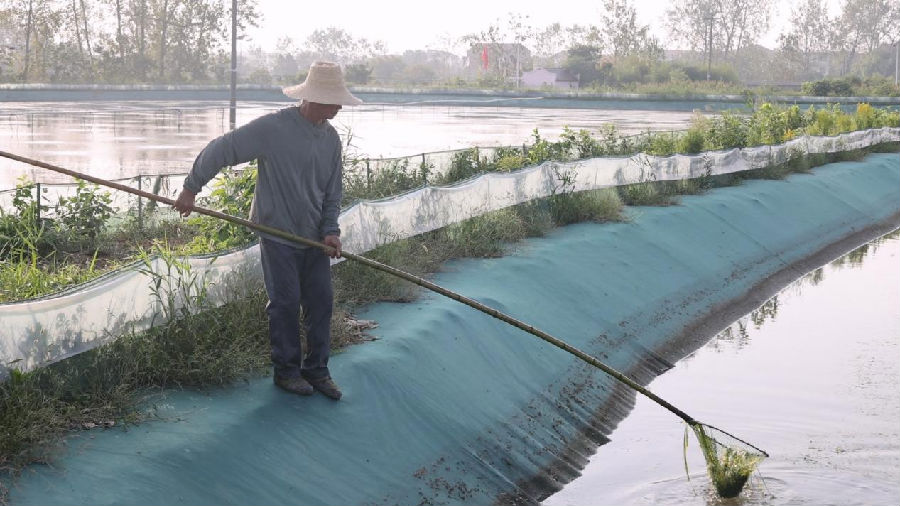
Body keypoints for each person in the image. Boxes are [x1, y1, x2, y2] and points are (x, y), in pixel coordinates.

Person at [172, 61, 362, 400]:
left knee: (321, 303)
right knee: (285, 302)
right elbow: (223, 148)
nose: (338, 107)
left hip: (314, 239)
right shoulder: (274, 129)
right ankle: (287, 371)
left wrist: (330, 231)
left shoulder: (331, 139)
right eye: (334, 101)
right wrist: (191, 187)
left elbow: (332, 191)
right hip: (278, 235)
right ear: (314, 98)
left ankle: (317, 369)